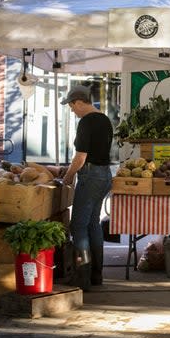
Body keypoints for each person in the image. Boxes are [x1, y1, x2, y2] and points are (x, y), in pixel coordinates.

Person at [61, 85, 113, 291]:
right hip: (104, 175)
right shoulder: (105, 119)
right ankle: (96, 275)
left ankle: (82, 277)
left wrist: (68, 176)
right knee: (93, 224)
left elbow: (80, 157)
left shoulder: (86, 122)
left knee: (79, 226)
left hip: (90, 176)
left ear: (80, 102)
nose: (72, 110)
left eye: (72, 106)